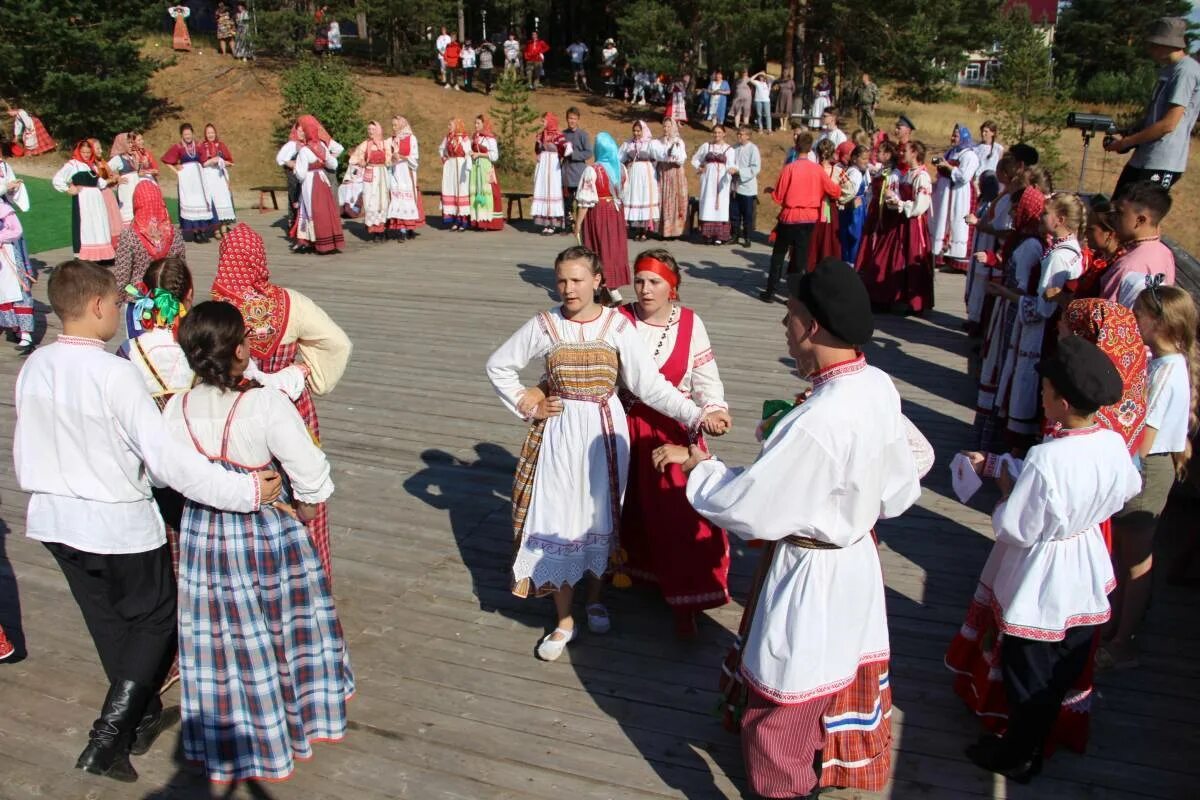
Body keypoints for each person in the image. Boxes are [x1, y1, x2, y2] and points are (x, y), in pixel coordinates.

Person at [652, 258, 922, 798]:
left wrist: (698, 467)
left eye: (790, 315)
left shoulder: (819, 420)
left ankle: (788, 789)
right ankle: (814, 766)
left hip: (812, 571)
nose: (784, 326)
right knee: (831, 671)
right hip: (856, 560)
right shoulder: (874, 383)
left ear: (813, 327)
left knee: (784, 695)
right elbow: (912, 462)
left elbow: (750, 507)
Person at [14, 259, 279, 783]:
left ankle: (142, 718)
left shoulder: (36, 365)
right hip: (114, 520)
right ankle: (106, 739)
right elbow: (167, 462)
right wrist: (243, 489)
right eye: (115, 303)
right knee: (156, 619)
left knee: (109, 621)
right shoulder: (115, 373)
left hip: (52, 517)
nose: (119, 311)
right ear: (95, 307)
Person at [484, 246, 727, 661]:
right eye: (561, 280)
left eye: (577, 280)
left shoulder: (617, 325)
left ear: (597, 281)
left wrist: (698, 413)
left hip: (604, 430)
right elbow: (498, 365)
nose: (568, 289)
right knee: (558, 515)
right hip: (559, 431)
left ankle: (595, 599)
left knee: (600, 515)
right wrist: (530, 402)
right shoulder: (545, 325)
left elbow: (648, 385)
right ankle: (563, 620)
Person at [163, 301, 352, 784]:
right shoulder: (264, 404)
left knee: (224, 636)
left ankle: (232, 731)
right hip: (265, 531)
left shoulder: (175, 408)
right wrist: (304, 510)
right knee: (282, 630)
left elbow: (166, 476)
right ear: (243, 351)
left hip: (204, 535)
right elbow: (311, 475)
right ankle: (293, 722)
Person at [955, 336, 1141, 784]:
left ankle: (1019, 753)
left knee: (1028, 669)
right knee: (1061, 665)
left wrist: (1005, 490)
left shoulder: (1047, 457)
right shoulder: (1112, 443)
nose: (1040, 397)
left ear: (1060, 401)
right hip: (1086, 562)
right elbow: (1127, 489)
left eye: (1045, 392)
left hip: (1045, 577)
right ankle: (1031, 743)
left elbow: (1014, 527)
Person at [212, 223, 353, 583]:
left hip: (234, 416)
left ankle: (253, 583)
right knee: (303, 481)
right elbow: (338, 342)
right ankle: (309, 578)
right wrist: (308, 372)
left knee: (249, 494)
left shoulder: (215, 312)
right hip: (292, 411)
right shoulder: (290, 303)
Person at [607, 250, 736, 636]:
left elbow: (705, 379)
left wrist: (714, 410)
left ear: (672, 287)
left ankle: (688, 600)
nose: (645, 289)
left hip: (674, 427)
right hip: (623, 425)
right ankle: (634, 575)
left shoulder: (691, 323)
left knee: (680, 512)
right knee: (625, 506)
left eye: (655, 282)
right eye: (640, 280)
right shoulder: (617, 319)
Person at [1099, 284, 1199, 671]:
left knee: (1136, 559)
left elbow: (1145, 435)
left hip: (1146, 469)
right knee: (1126, 556)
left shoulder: (1168, 371)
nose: (1135, 320)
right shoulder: (1164, 362)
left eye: (1140, 314)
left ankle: (1125, 641)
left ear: (1160, 322)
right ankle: (1115, 629)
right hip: (1144, 466)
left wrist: (1115, 474)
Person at [987, 192, 1086, 448]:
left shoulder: (1058, 257)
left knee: (1026, 388)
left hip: (1039, 336)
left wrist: (1007, 295)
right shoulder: (1072, 249)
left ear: (1060, 219)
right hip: (1052, 333)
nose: (1041, 217)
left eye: (1045, 213)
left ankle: (1016, 445)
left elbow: (1041, 309)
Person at [1106, 17, 1200, 195]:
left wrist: (1127, 142)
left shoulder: (1185, 72)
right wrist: (1129, 130)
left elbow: (1168, 124)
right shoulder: (1168, 70)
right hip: (1144, 156)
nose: (1150, 49)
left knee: (1137, 216)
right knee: (1118, 208)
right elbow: (1155, 115)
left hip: (1162, 161)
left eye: (1154, 44)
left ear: (1166, 44)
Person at [856, 140, 934, 314]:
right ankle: (894, 297)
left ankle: (913, 302)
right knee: (896, 258)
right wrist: (894, 202)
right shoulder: (909, 175)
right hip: (902, 222)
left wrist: (900, 204)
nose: (901, 153)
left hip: (913, 224)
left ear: (914, 152)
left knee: (911, 257)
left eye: (905, 150)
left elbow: (920, 206)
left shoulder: (922, 177)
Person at [761, 131, 840, 301]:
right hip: (809, 217)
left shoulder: (790, 168)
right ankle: (794, 295)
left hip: (790, 216)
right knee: (800, 258)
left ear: (796, 147)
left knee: (779, 253)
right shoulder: (817, 170)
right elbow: (834, 190)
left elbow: (779, 196)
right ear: (810, 148)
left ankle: (770, 290)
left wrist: (772, 192)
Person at [963, 154, 1018, 335]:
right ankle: (977, 321)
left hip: (996, 251)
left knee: (989, 291)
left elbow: (1006, 229)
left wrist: (980, 225)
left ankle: (981, 326)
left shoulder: (1009, 198)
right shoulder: (1003, 195)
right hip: (988, 248)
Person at [1099, 181, 1176, 308]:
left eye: (1119, 212)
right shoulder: (1164, 252)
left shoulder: (1128, 266)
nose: (1113, 218)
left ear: (1140, 220)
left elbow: (1104, 317)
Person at [573, 133, 630, 301]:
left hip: (599, 213)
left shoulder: (592, 170)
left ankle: (607, 290)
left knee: (598, 248)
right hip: (616, 212)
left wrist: (577, 223)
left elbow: (585, 201)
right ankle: (607, 289)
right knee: (613, 249)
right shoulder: (622, 168)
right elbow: (625, 193)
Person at [113, 181, 186, 289]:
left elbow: (122, 277)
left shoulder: (129, 235)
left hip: (138, 299)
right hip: (169, 297)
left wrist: (118, 303)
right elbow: (181, 269)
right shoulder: (174, 233)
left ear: (137, 202)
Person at [930, 123, 982, 273]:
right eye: (952, 135)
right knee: (942, 222)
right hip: (946, 193)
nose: (953, 138)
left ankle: (957, 261)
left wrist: (949, 167)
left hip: (960, 194)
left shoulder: (969, 155)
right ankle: (942, 256)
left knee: (958, 223)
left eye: (956, 135)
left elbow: (964, 176)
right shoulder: (951, 152)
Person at [53, 140, 116, 261]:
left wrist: (113, 179)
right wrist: (68, 189)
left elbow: (100, 183)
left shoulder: (92, 165)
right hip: (84, 200)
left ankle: (99, 255)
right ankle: (85, 255)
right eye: (83, 152)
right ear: (79, 151)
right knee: (86, 225)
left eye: (88, 152)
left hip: (96, 200)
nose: (86, 154)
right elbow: (58, 179)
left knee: (97, 223)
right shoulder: (73, 164)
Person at [290, 116, 344, 254]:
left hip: (310, 182)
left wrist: (295, 169)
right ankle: (330, 242)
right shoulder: (323, 146)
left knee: (311, 210)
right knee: (325, 209)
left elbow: (301, 174)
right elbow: (334, 164)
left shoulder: (304, 150)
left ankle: (314, 241)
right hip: (322, 179)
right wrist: (325, 159)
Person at [161, 124, 218, 245]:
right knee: (190, 201)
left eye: (189, 133)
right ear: (182, 135)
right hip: (186, 179)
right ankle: (196, 232)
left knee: (201, 201)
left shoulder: (198, 145)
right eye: (185, 134)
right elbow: (166, 160)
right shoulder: (178, 147)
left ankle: (202, 231)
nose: (188, 136)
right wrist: (177, 171)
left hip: (198, 177)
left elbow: (203, 160)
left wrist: (213, 161)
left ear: (192, 133)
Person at [348, 121, 394, 242]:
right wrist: (361, 161)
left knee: (383, 201)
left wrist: (390, 160)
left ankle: (383, 230)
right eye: (369, 130)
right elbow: (353, 158)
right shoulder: (365, 144)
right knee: (371, 202)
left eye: (373, 129)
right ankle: (374, 231)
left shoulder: (385, 144)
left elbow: (389, 159)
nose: (370, 132)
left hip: (382, 174)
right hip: (370, 173)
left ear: (378, 130)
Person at [691, 125, 735, 245]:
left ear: (724, 134)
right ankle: (707, 234)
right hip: (708, 179)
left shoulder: (729, 149)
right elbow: (695, 159)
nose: (717, 135)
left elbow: (732, 164)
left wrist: (731, 170)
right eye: (715, 132)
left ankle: (719, 236)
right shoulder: (706, 146)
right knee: (708, 204)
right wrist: (700, 167)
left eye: (719, 132)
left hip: (722, 179)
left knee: (721, 204)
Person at [0, 198, 34, 354]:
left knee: (18, 292)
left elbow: (16, 230)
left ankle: (26, 335)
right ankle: (15, 328)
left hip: (8, 254)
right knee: (3, 293)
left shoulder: (4, 209)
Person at [619, 120, 660, 241]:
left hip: (646, 174)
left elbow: (658, 157)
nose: (636, 133)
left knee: (645, 197)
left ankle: (645, 231)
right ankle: (637, 229)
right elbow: (619, 157)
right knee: (635, 198)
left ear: (643, 130)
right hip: (633, 174)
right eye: (635, 131)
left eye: (638, 131)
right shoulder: (628, 144)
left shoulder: (650, 143)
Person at [532, 113, 572, 235]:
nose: (542, 123)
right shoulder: (541, 135)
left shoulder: (558, 135)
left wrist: (567, 147)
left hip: (553, 167)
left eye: (543, 121)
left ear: (550, 121)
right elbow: (537, 150)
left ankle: (553, 224)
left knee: (552, 191)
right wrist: (538, 144)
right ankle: (545, 222)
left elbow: (565, 148)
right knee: (543, 190)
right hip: (543, 166)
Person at [807, 138, 845, 265]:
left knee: (816, 238)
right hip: (824, 208)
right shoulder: (838, 171)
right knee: (825, 239)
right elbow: (849, 189)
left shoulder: (812, 169)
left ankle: (813, 266)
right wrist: (840, 198)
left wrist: (839, 198)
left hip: (819, 209)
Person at [387, 116, 424, 240]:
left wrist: (402, 156)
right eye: (392, 125)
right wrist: (392, 158)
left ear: (402, 125)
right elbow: (387, 156)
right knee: (398, 199)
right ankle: (401, 229)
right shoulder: (392, 140)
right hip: (396, 171)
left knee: (409, 198)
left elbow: (415, 157)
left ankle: (410, 227)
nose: (393, 128)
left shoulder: (411, 138)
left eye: (395, 125)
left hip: (407, 171)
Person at [198, 124, 236, 238]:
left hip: (220, 176)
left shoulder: (221, 145)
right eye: (208, 133)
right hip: (209, 176)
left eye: (212, 132)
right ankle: (216, 229)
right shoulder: (202, 146)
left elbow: (230, 162)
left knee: (224, 200)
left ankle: (224, 228)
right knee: (213, 201)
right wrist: (212, 161)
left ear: (215, 133)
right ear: (205, 134)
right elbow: (201, 163)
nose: (211, 135)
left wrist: (222, 161)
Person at [468, 115, 504, 231]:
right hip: (476, 166)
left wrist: (480, 154)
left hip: (486, 167)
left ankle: (488, 222)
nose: (475, 125)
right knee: (477, 190)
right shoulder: (475, 137)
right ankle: (479, 220)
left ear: (484, 124)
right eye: (475, 123)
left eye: (478, 123)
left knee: (487, 191)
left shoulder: (490, 138)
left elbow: (494, 156)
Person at [656, 118, 689, 240]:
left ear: (673, 127)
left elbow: (681, 159)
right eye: (664, 127)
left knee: (675, 199)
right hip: (664, 173)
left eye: (668, 127)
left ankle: (676, 230)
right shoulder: (659, 141)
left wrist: (673, 157)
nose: (666, 129)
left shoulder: (678, 141)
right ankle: (663, 230)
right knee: (664, 199)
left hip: (675, 173)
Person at [730, 126, 762, 248]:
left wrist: (739, 172)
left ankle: (747, 237)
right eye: (738, 133)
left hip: (747, 187)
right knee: (734, 213)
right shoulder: (734, 148)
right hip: (735, 186)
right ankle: (735, 235)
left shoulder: (753, 149)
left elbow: (755, 168)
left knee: (747, 215)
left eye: (742, 134)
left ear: (748, 136)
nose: (739, 136)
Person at [838, 145, 870, 265]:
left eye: (867, 159)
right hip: (854, 209)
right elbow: (851, 192)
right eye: (863, 158)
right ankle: (851, 262)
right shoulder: (855, 173)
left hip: (857, 207)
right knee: (853, 236)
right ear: (855, 158)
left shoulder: (857, 171)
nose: (866, 161)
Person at [438, 118, 472, 231]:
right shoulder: (448, 137)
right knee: (452, 190)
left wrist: (467, 163)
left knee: (461, 190)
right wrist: (445, 158)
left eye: (450, 125)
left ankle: (464, 220)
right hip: (451, 166)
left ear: (457, 125)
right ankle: (456, 220)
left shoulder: (464, 138)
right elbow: (441, 148)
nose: (449, 127)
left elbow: (468, 152)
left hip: (461, 167)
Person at [561, 108, 592, 220]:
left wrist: (573, 155)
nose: (572, 121)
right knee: (566, 201)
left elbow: (589, 152)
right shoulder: (562, 134)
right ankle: (568, 224)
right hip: (566, 172)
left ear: (578, 119)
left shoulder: (583, 135)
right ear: (566, 119)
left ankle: (580, 224)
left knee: (580, 200)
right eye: (570, 118)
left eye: (574, 118)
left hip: (578, 172)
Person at [107, 134, 141, 225]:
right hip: (126, 190)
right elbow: (105, 169)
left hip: (135, 188)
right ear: (122, 144)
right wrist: (116, 178)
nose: (131, 145)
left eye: (131, 142)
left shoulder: (133, 156)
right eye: (128, 143)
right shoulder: (118, 158)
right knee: (127, 213)